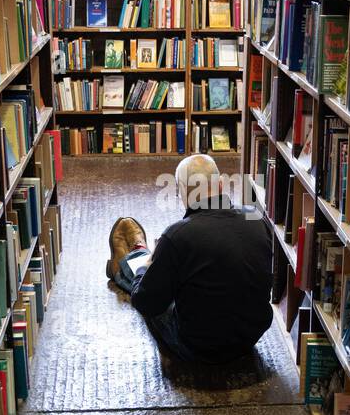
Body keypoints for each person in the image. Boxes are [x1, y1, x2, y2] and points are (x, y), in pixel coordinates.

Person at [106, 154, 273, 364]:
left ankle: (133, 257)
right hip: (249, 338)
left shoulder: (178, 235)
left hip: (196, 346)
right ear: (221, 184)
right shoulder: (256, 217)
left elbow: (146, 304)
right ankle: (145, 259)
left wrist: (151, 262)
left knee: (151, 282)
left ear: (182, 192)